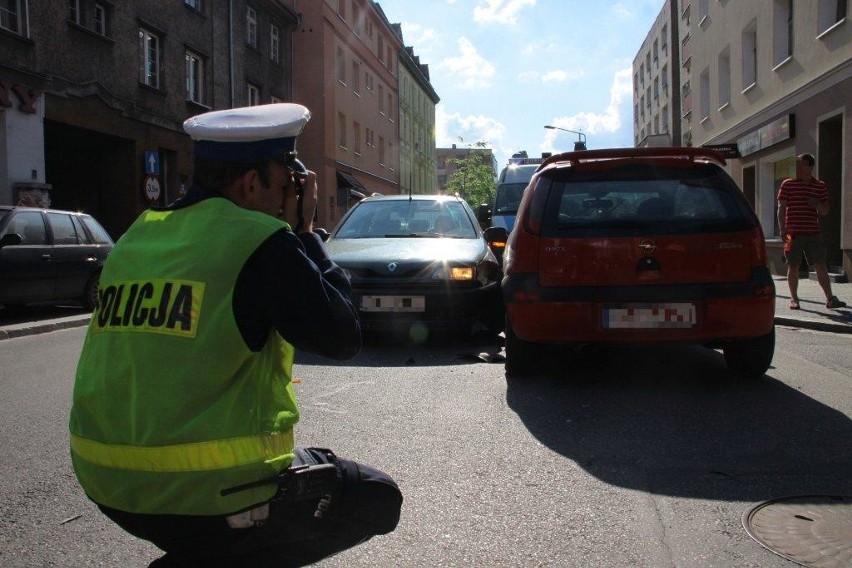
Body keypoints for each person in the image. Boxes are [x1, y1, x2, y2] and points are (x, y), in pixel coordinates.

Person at [69, 103, 402, 567]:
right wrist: (305, 233)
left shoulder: (137, 236)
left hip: (106, 480)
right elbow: (341, 335)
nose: (288, 195)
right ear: (251, 182)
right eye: (286, 182)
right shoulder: (260, 238)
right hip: (205, 490)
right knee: (376, 497)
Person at [777, 152, 846, 310]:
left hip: (813, 233)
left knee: (820, 264)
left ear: (809, 166)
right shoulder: (788, 184)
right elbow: (781, 208)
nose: (796, 167)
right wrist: (782, 229)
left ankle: (830, 299)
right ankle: (794, 299)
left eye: (800, 164)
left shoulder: (819, 186)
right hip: (791, 234)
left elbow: (825, 210)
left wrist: (817, 204)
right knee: (792, 265)